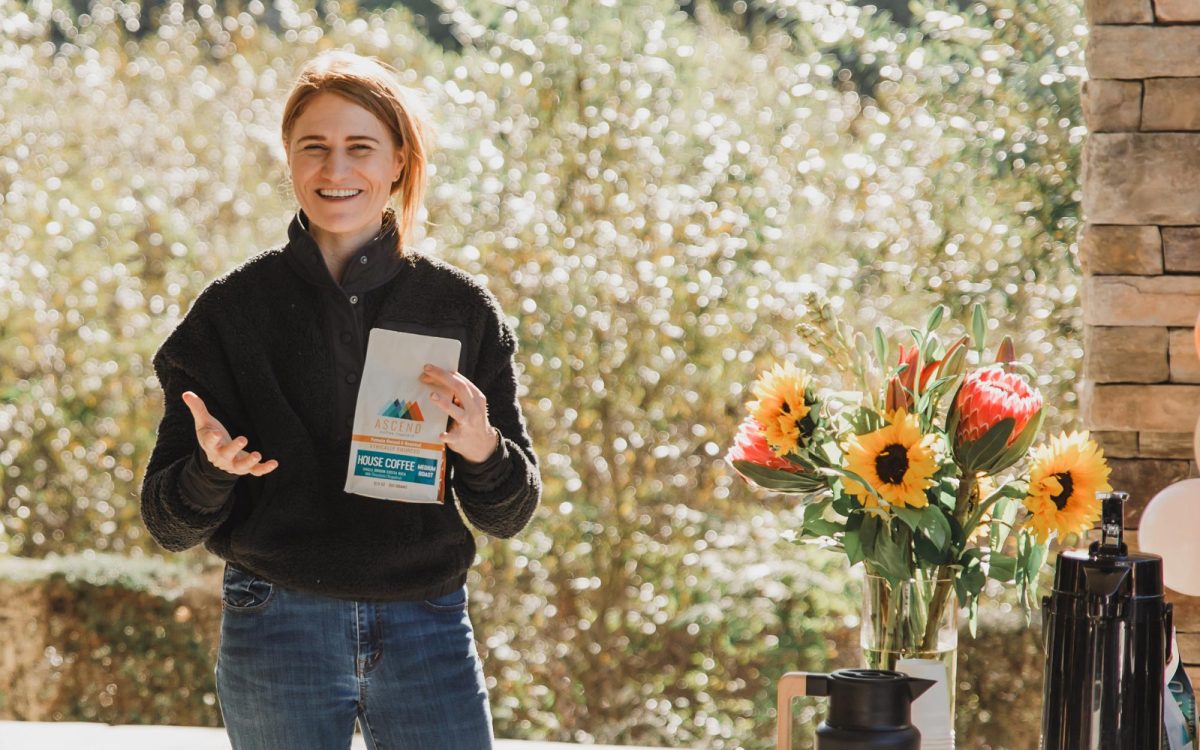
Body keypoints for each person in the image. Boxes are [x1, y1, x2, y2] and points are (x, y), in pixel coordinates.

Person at [139, 49, 541, 750]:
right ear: (289, 161)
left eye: (360, 148)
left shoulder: (461, 307)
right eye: (313, 148)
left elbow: (508, 514)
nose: (335, 170)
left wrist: (482, 449)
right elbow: (167, 523)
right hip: (275, 621)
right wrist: (211, 471)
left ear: (399, 163)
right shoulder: (231, 312)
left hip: (428, 622)